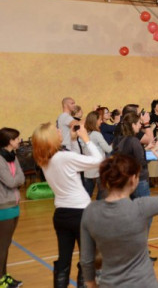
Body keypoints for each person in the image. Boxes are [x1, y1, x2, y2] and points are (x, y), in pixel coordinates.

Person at [80, 151, 158, 288]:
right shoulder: (141, 207)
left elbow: (86, 260)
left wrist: (92, 284)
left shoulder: (90, 211)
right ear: (133, 179)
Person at [32, 122, 104, 287]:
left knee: (63, 261)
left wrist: (71, 140)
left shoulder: (44, 160)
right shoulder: (64, 158)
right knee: (86, 259)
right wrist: (86, 139)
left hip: (61, 215)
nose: (60, 131)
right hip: (81, 214)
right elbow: (98, 160)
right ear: (51, 138)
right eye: (56, 130)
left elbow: (70, 158)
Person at [0, 128, 24, 288]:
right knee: (2, 245)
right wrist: (17, 180)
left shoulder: (12, 157)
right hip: (3, 207)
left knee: (6, 244)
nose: (20, 141)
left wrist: (17, 180)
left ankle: (4, 276)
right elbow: (10, 181)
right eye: (17, 139)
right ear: (9, 141)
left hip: (14, 205)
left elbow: (21, 177)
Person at [82, 111, 112, 200]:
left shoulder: (85, 134)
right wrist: (114, 144)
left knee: (87, 193)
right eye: (100, 119)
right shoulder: (96, 134)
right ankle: (98, 209)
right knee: (103, 192)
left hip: (87, 167)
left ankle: (84, 211)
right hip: (98, 167)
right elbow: (108, 149)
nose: (101, 121)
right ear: (95, 121)